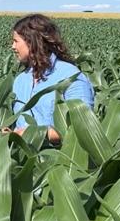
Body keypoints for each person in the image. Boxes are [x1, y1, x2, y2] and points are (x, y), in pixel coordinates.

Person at [9, 13, 94, 143]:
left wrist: (36, 134)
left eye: (16, 41)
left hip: (59, 158)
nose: (13, 47)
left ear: (32, 41)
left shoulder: (70, 76)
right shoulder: (20, 80)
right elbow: (19, 125)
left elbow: (83, 126)